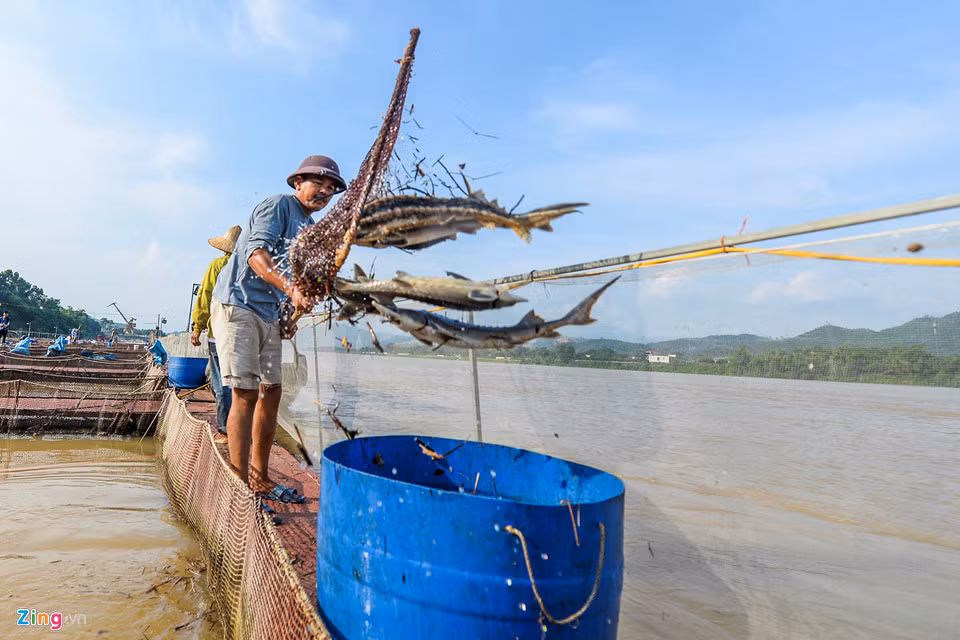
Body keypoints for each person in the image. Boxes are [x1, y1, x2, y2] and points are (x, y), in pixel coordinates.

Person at [210, 155, 346, 501]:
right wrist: (292, 290)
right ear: (298, 182)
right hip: (239, 306)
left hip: (269, 313)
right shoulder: (279, 207)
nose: (325, 192)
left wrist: (287, 313)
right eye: (319, 183)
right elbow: (256, 255)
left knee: (271, 392)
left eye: (331, 189)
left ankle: (260, 477)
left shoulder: (309, 229)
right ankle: (239, 484)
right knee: (244, 393)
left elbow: (294, 275)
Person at [191, 224, 242, 434]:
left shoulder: (217, 266)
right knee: (240, 382)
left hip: (218, 333)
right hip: (243, 333)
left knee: (222, 383)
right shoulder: (250, 268)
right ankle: (240, 426)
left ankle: (224, 427)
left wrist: (197, 327)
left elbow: (205, 296)